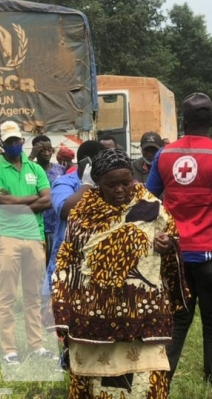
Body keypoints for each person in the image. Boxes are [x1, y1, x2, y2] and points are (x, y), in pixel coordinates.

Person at [49, 148, 185, 399]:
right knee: (95, 382)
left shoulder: (151, 206)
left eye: (126, 182)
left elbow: (173, 240)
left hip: (143, 317)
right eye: (112, 185)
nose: (121, 189)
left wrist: (168, 247)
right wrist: (62, 308)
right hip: (91, 317)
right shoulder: (83, 214)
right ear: (98, 184)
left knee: (146, 383)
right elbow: (67, 261)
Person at [146, 92, 212, 382]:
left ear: (183, 122)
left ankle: (162, 381)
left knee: (176, 322)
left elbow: (148, 198)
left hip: (175, 254)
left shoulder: (164, 154)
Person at [0, 120, 54, 365]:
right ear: (2, 144)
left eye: (17, 140)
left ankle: (36, 345)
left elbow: (47, 200)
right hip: (8, 238)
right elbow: (2, 203)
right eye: (10, 142)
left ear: (22, 141)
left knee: (33, 295)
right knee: (7, 296)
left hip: (34, 237)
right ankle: (9, 348)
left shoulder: (35, 169)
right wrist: (31, 199)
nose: (14, 145)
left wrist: (17, 201)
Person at [41, 140, 106, 333]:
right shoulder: (64, 183)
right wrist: (87, 185)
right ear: (87, 163)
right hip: (69, 263)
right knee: (67, 325)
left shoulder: (106, 184)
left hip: (97, 263)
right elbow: (65, 211)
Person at [29, 135, 66, 267]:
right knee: (39, 266)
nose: (47, 153)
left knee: (58, 264)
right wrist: (31, 156)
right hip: (38, 226)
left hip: (57, 225)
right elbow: (19, 175)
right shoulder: (29, 169)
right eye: (42, 150)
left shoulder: (60, 170)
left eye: (49, 149)